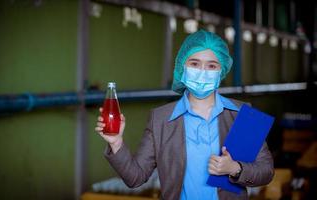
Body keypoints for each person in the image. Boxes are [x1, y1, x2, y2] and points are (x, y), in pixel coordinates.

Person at [95, 29, 274, 200]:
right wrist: (116, 143)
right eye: (195, 63)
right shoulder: (160, 119)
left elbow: (266, 172)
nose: (202, 72)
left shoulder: (243, 115)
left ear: (221, 71)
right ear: (183, 66)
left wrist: (235, 168)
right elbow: (135, 178)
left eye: (212, 65)